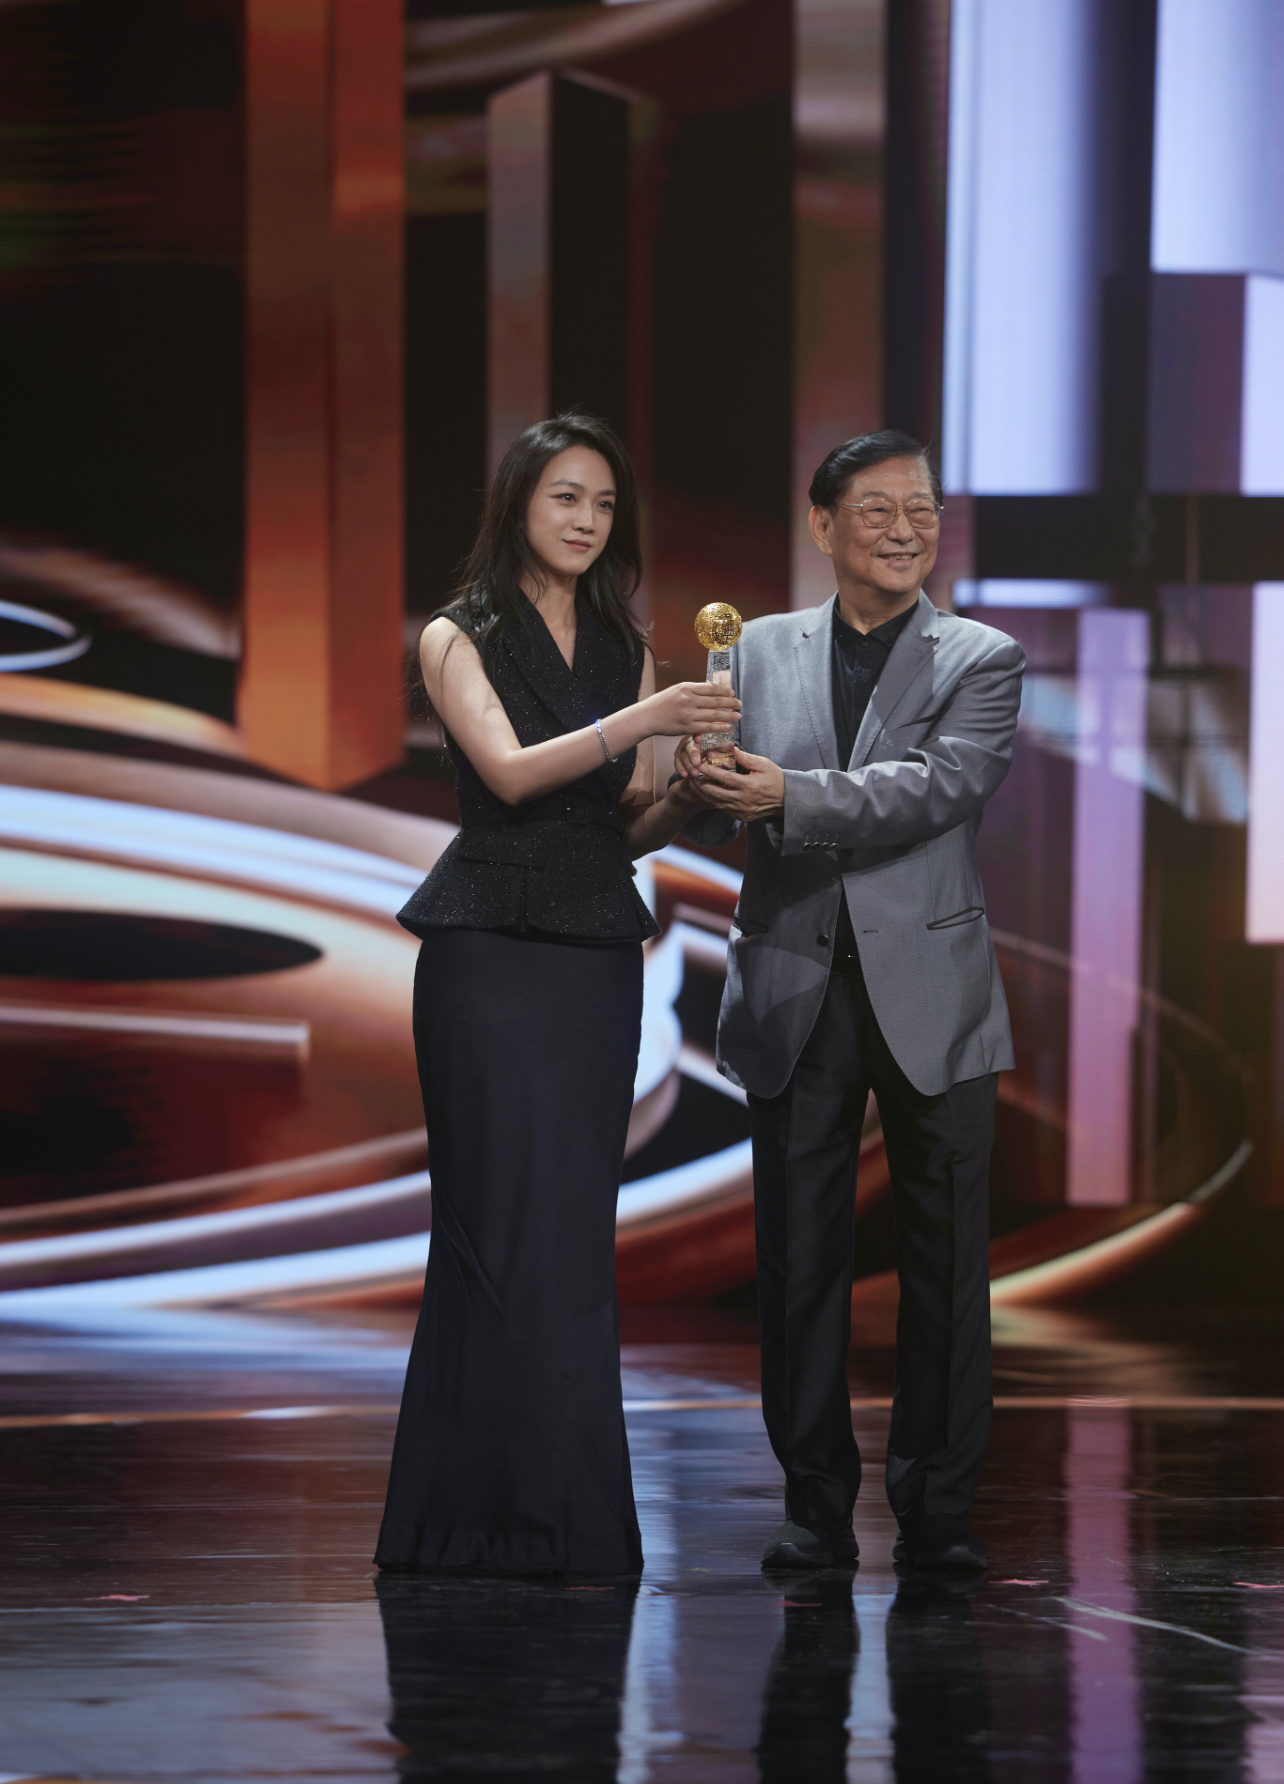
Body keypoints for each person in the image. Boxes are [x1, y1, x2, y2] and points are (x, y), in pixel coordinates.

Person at [376, 412, 738, 1575]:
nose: (587, 520)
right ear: (520, 505)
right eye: (565, 497)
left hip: (592, 955)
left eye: (603, 503)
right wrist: (649, 717)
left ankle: (566, 1515)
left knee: (573, 1232)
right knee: (491, 1224)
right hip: (485, 949)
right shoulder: (457, 633)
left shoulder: (623, 644)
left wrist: (689, 792)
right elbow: (512, 772)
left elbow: (620, 826)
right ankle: (461, 1517)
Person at [675, 430, 1024, 1573]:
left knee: (947, 1261)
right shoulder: (753, 647)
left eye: (921, 508)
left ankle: (938, 1506)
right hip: (795, 978)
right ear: (822, 524)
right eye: (877, 509)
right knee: (798, 1257)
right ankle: (813, 1502)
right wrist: (697, 777)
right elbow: (712, 814)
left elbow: (939, 787)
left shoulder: (982, 656)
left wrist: (786, 792)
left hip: (934, 988)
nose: (904, 529)